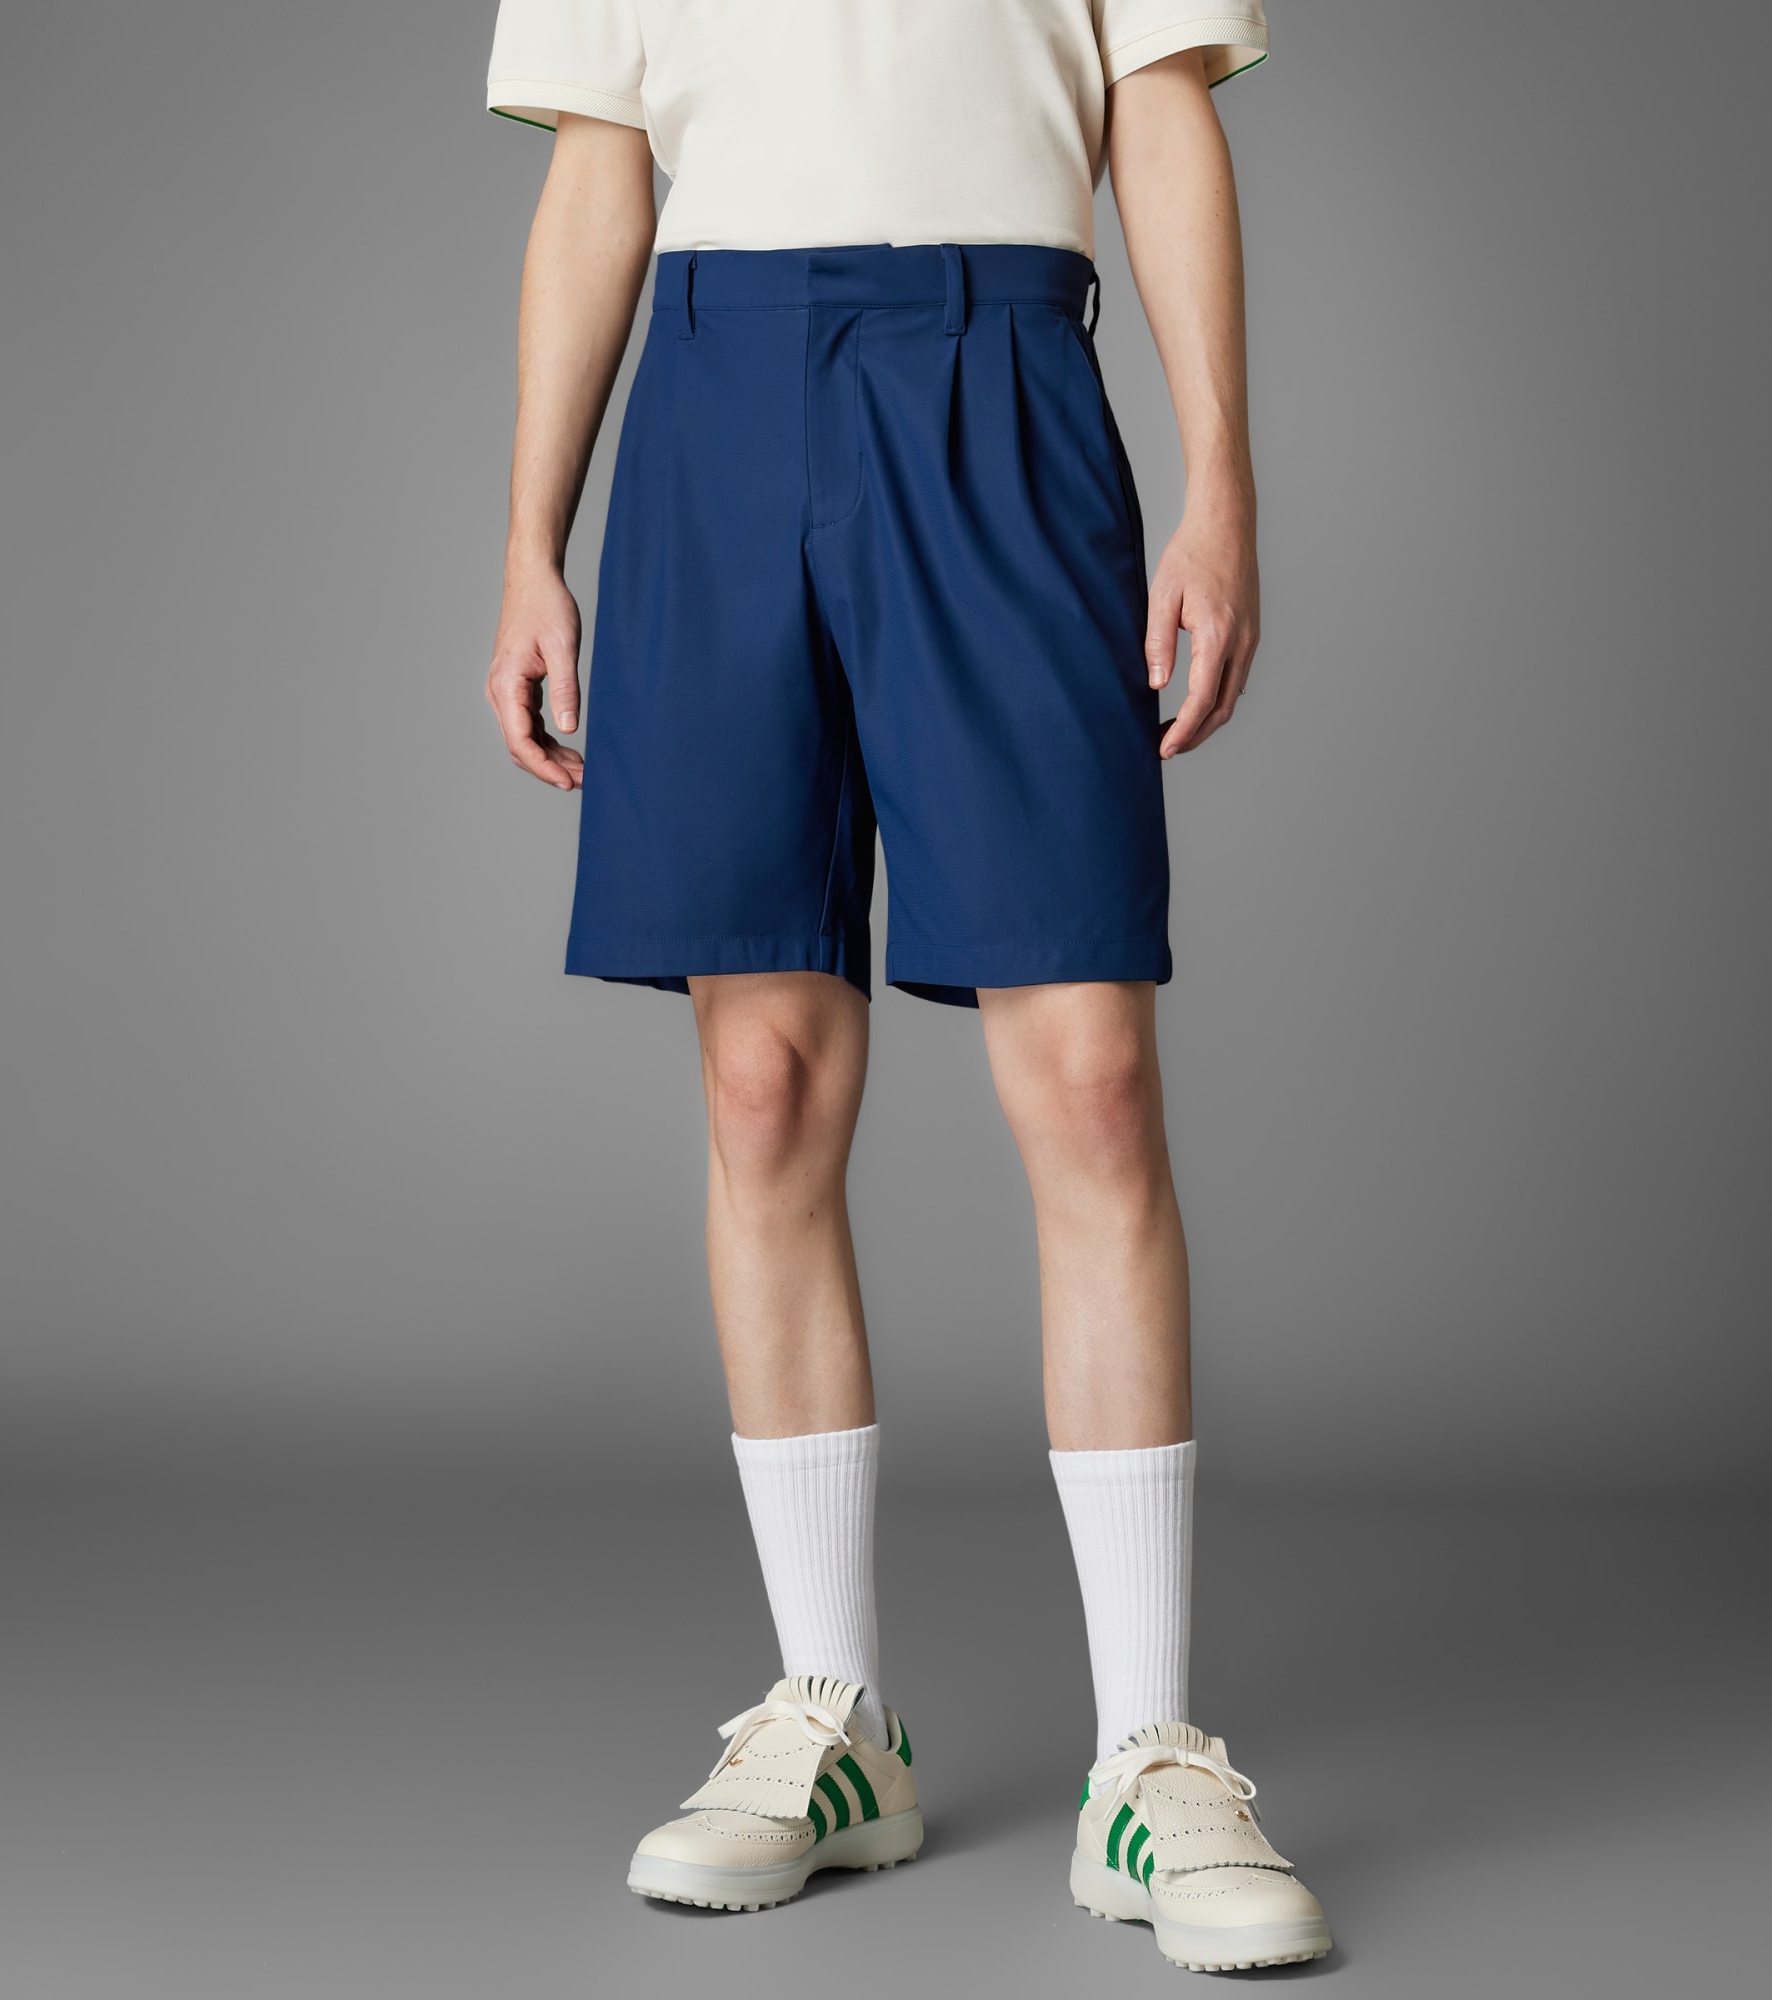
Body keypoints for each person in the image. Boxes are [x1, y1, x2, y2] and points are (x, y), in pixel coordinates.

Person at [482, 0, 1330, 1972]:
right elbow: (598, 168)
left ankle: (1149, 1760)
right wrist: (528, 538)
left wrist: (1221, 479)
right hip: (713, 392)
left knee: (1090, 1071)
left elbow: (1158, 109)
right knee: (760, 1080)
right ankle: (833, 1724)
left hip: (998, 368)